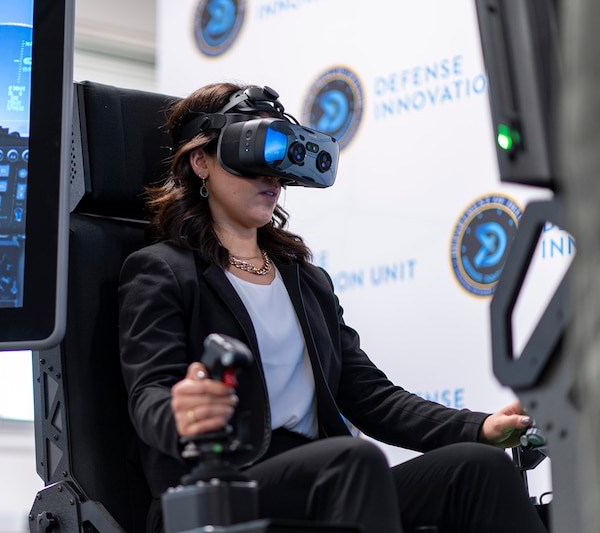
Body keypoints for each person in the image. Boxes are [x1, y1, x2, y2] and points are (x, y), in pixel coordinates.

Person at [118, 81, 548, 533]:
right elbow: (150, 395)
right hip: (219, 489)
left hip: (331, 475)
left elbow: (369, 395)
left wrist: (479, 428)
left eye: (280, 161)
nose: (273, 176)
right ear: (200, 160)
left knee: (478, 469)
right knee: (353, 461)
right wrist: (181, 415)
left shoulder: (305, 279)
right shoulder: (161, 271)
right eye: (255, 154)